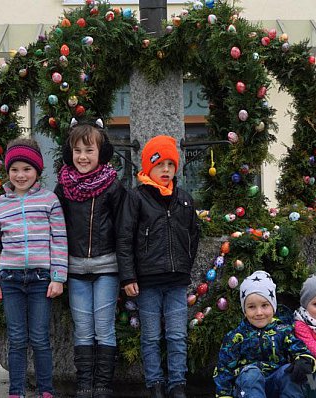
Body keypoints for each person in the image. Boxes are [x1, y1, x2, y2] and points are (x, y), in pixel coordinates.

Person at [0, 138, 68, 398]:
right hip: (10, 279)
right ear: (7, 172)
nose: (21, 175)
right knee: (17, 339)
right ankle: (16, 390)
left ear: (37, 171)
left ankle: (46, 390)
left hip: (42, 279)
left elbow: (59, 240)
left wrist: (58, 277)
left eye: (27, 169)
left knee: (41, 338)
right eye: (15, 169)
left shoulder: (49, 200)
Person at [117, 135, 200, 398]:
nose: (166, 170)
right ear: (148, 167)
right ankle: (154, 384)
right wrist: (128, 276)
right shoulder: (136, 198)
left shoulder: (184, 199)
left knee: (177, 335)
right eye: (159, 164)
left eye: (170, 164)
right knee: (151, 337)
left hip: (176, 280)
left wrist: (185, 263)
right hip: (148, 281)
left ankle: (177, 384)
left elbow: (193, 234)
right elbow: (125, 237)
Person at [55, 120, 126, 398]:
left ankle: (103, 385)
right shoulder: (63, 188)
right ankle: (85, 384)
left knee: (104, 328)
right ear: (69, 153)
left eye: (89, 150)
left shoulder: (113, 187)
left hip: (106, 266)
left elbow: (123, 228)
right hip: (75, 268)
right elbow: (56, 228)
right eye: (77, 151)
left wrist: (127, 271)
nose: (83, 157)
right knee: (83, 329)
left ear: (101, 153)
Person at [214, 270, 316, 398]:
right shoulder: (236, 337)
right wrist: (224, 394)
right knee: (251, 373)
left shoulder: (283, 330)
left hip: (275, 383)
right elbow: (224, 369)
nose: (259, 312)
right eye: (251, 307)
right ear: (244, 310)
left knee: (289, 373)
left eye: (264, 305)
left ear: (273, 307)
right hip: (247, 388)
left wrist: (303, 359)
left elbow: (298, 346)